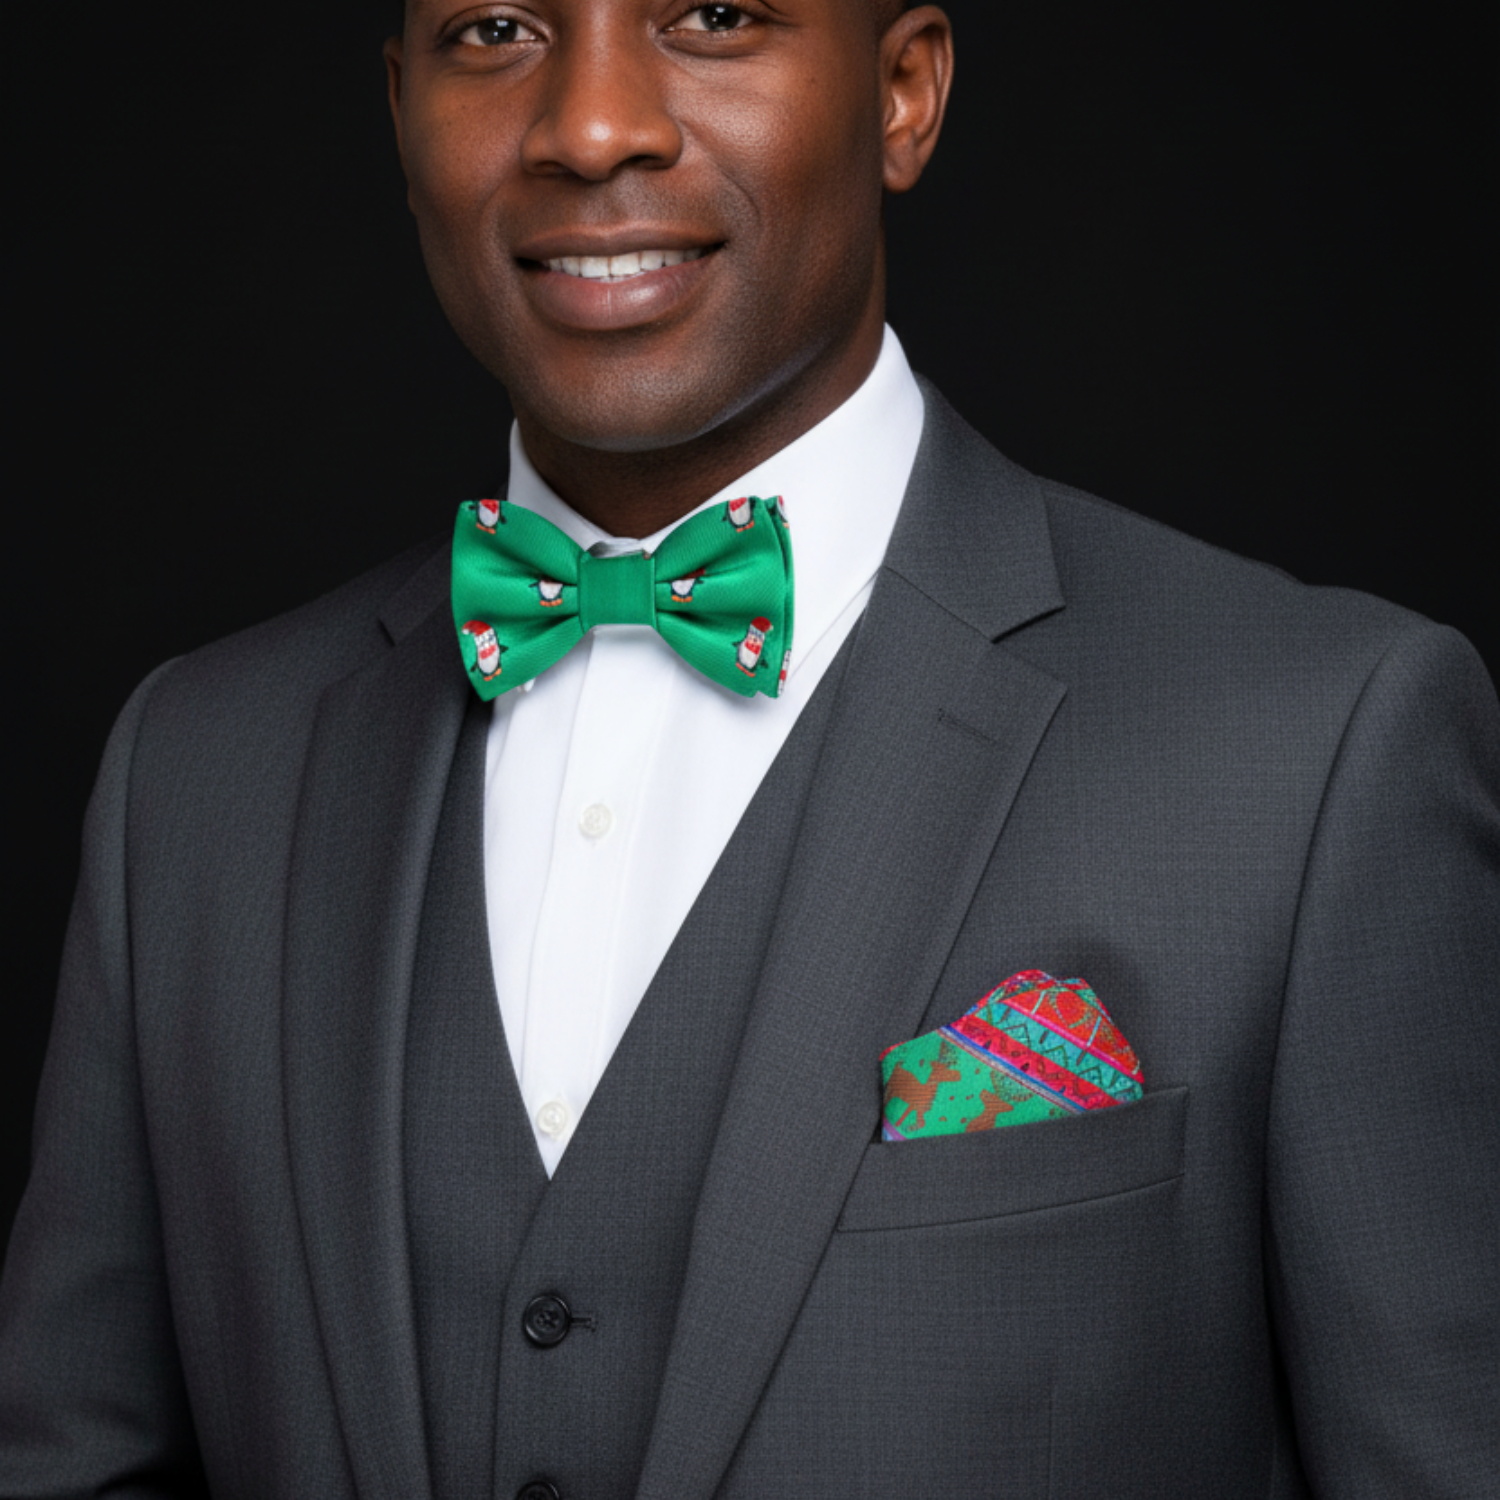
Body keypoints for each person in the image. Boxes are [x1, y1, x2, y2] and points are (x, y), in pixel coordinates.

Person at [2, 0, 1496, 1496]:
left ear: (904, 93)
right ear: (400, 113)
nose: (593, 126)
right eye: (498, 29)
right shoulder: (193, 780)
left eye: (715, 16)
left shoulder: (1316, 750)